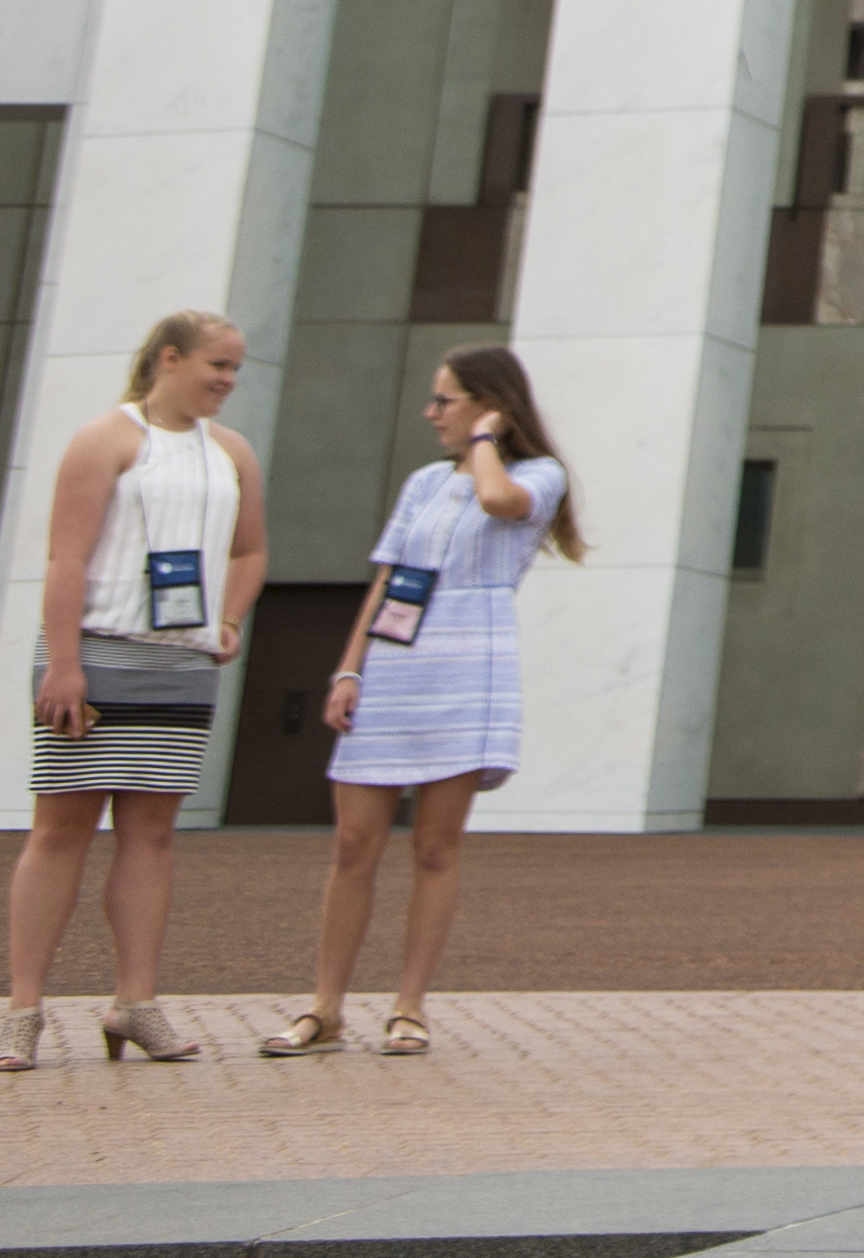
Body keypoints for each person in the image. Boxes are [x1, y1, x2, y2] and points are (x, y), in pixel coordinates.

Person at [263, 348, 579, 1060]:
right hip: (398, 661)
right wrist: (349, 668)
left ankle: (408, 1006)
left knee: (435, 846)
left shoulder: (536, 474)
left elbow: (499, 503)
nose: (432, 413)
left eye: (447, 400)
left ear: (489, 406)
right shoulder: (422, 483)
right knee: (352, 845)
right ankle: (325, 1007)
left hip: (471, 661)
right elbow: (388, 580)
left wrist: (485, 443)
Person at [10, 309, 263, 1072]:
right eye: (216, 364)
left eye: (235, 370)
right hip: (94, 654)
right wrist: (63, 663)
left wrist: (227, 617)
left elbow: (250, 549)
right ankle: (21, 1008)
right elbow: (66, 559)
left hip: (180, 667)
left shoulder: (232, 452)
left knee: (152, 835)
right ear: (169, 358)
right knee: (60, 831)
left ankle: (136, 1002)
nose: (225, 380)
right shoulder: (106, 438)